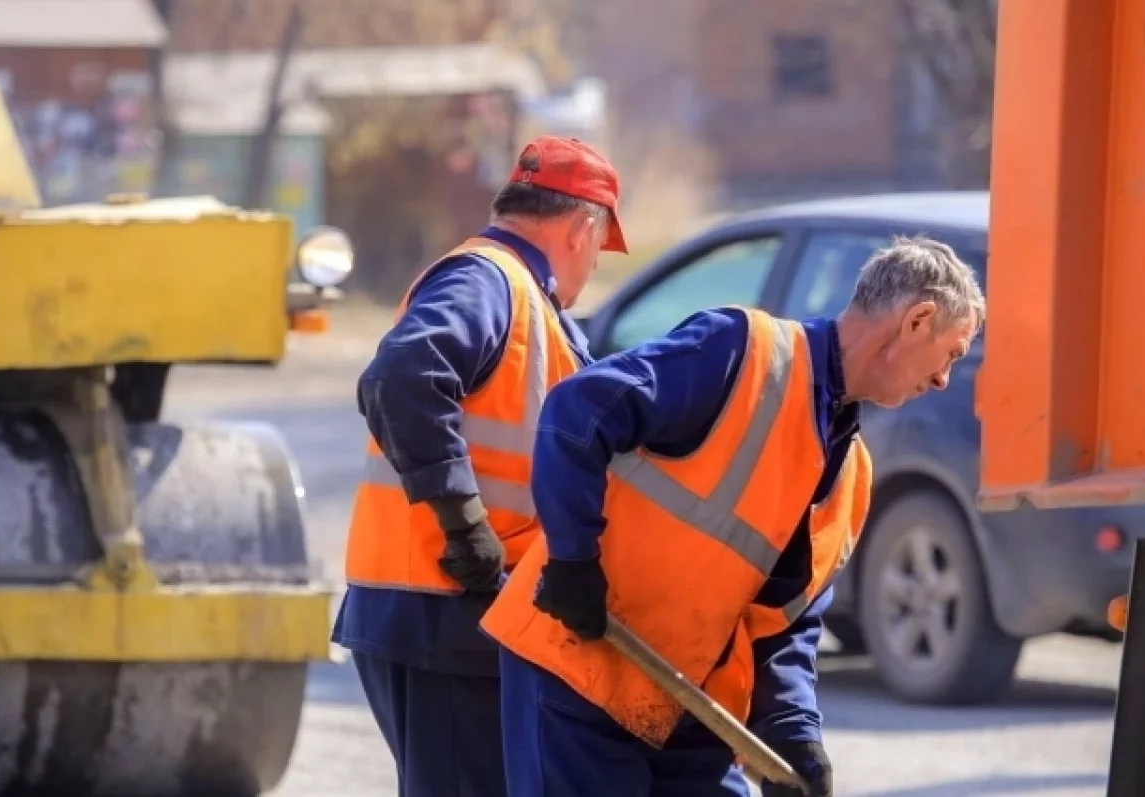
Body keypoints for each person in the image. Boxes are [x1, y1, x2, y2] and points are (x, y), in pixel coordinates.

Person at [481, 235, 985, 796]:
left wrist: (793, 732)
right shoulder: (741, 351)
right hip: (579, 667)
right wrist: (573, 560)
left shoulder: (849, 476)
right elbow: (577, 412)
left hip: (685, 706)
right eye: (952, 353)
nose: (943, 379)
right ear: (918, 320)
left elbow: (787, 622)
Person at [332, 135, 628, 797]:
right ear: (582, 229)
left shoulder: (518, 297)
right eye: (599, 251)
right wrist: (464, 525)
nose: (591, 270)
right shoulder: (487, 280)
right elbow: (401, 377)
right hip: (445, 609)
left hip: (453, 612)